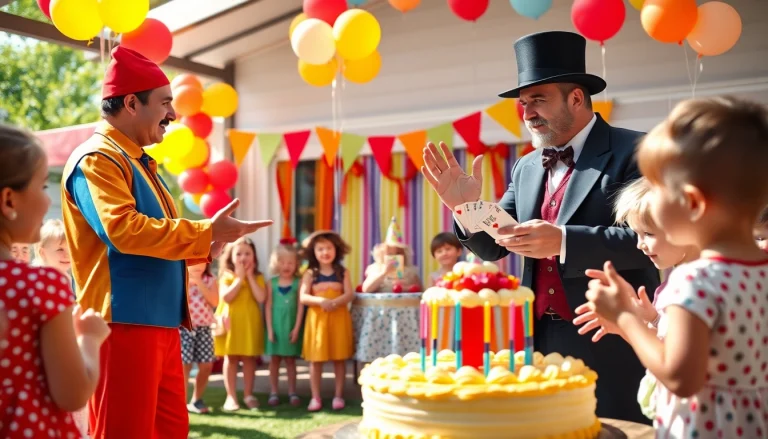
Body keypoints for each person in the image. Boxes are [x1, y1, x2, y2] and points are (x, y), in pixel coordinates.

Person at [421, 31, 659, 423]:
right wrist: (466, 208)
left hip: (614, 332)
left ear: (576, 98)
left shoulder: (636, 150)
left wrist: (564, 240)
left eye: (538, 99)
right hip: (539, 336)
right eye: (523, 103)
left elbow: (652, 240)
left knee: (620, 429)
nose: (527, 112)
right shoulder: (527, 165)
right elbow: (498, 244)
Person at [60, 46, 273, 438]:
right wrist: (206, 231)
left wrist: (206, 247)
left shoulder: (137, 161)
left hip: (157, 325)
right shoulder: (97, 159)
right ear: (130, 103)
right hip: (120, 327)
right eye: (165, 103)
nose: (173, 114)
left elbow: (152, 242)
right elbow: (122, 230)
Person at [584, 97, 768, 437]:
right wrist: (636, 326)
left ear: (694, 204)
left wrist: (624, 314)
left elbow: (680, 376)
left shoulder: (695, 279)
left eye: (656, 186)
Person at [0, 123, 111, 438]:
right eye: (40, 187)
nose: (49, 202)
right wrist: (89, 338)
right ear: (9, 201)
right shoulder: (41, 286)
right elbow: (73, 394)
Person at [573, 177, 698, 420]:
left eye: (648, 233)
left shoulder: (692, 285)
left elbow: (677, 369)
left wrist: (626, 319)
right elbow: (669, 346)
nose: (639, 244)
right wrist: (646, 321)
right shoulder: (679, 279)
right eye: (636, 233)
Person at [300, 230, 354, 412]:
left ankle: (338, 396)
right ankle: (315, 397)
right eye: (320, 248)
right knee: (316, 360)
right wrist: (321, 301)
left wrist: (336, 302)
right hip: (317, 323)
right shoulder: (310, 273)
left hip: (339, 320)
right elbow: (303, 297)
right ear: (313, 252)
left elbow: (349, 294)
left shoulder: (342, 272)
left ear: (336, 249)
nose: (325, 252)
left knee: (339, 359)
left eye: (328, 248)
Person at [214, 237, 267, 411]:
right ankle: (231, 396)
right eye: (239, 253)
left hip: (249, 323)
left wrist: (249, 277)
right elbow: (226, 297)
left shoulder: (258, 276)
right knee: (231, 358)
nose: (243, 257)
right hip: (231, 323)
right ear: (230, 257)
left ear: (254, 257)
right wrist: (239, 278)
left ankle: (248, 394)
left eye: (247, 253)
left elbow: (261, 297)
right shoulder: (227, 276)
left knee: (249, 358)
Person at [265, 242, 304, 407]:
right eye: (282, 262)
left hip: (290, 327)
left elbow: (301, 307)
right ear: (276, 263)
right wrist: (269, 330)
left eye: (290, 262)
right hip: (275, 327)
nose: (286, 266)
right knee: (274, 360)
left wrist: (296, 329)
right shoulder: (271, 283)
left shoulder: (299, 283)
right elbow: (268, 306)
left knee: (290, 361)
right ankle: (274, 392)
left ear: (296, 264)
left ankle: (292, 392)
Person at [182, 262, 218, 414]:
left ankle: (196, 399)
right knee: (184, 366)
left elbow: (215, 301)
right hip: (184, 328)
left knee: (206, 365)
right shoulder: (181, 278)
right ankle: (181, 403)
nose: (197, 263)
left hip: (204, 328)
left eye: (201, 259)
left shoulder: (210, 279)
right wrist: (189, 283)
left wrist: (200, 282)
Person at [362, 217, 422, 293]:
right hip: (382, 303)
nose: (394, 257)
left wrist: (405, 286)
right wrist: (384, 273)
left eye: (398, 253)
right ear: (382, 255)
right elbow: (366, 289)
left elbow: (419, 290)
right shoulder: (376, 269)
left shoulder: (409, 271)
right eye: (389, 254)